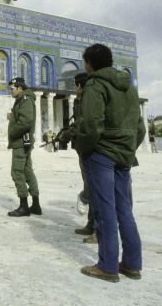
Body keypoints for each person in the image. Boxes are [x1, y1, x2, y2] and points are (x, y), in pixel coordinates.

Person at [77, 43, 145, 283]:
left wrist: (85, 150)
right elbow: (140, 127)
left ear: (89, 64)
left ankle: (107, 266)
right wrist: (128, 148)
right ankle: (132, 264)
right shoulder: (129, 87)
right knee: (124, 209)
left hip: (102, 154)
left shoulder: (95, 84)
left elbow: (92, 123)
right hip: (124, 155)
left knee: (104, 211)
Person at [61, 72, 96, 242]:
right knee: (89, 183)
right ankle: (92, 224)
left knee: (94, 188)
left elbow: (83, 122)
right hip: (83, 147)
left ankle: (98, 230)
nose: (75, 90)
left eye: (76, 86)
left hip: (89, 147)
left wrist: (68, 134)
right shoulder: (82, 100)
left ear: (80, 86)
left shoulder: (90, 101)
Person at [6, 77, 41, 217]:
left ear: (20, 87)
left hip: (20, 142)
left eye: (12, 89)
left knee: (17, 172)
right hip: (23, 142)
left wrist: (12, 132)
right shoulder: (22, 100)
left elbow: (26, 122)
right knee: (27, 172)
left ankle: (24, 206)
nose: (11, 91)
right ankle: (36, 205)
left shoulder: (25, 100)